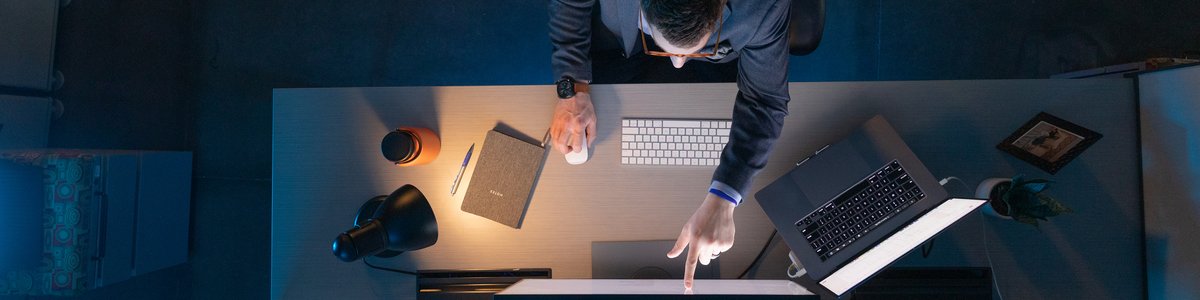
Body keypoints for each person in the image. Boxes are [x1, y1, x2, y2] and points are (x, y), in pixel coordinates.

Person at [548, 0, 791, 289]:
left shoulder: (762, 7)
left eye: (688, 50)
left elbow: (764, 101)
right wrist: (572, 87)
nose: (676, 63)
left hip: (718, 58)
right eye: (670, 51)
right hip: (623, 43)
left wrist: (724, 198)